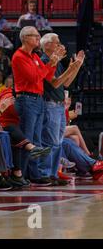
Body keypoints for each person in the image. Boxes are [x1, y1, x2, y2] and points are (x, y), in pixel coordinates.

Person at [11, 26, 64, 186]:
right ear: (25, 38)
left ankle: (35, 174)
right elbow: (35, 77)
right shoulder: (19, 56)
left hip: (37, 99)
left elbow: (46, 75)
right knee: (27, 139)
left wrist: (53, 63)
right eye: (35, 35)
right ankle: (19, 173)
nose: (38, 38)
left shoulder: (34, 56)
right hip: (26, 99)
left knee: (37, 140)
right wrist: (50, 65)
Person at [39, 33, 84, 185]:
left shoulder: (56, 61)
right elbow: (55, 83)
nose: (59, 45)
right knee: (50, 142)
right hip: (49, 104)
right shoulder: (45, 60)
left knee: (57, 142)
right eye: (56, 42)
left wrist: (76, 66)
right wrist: (70, 68)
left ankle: (53, 174)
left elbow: (67, 82)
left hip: (58, 105)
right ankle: (45, 173)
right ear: (46, 45)